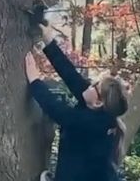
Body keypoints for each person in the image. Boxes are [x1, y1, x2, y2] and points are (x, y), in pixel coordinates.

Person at [25, 24, 129, 181]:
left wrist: (35, 81)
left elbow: (59, 112)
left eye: (95, 86)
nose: (91, 84)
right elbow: (70, 75)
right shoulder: (97, 109)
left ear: (98, 103)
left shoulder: (91, 123)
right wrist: (48, 40)